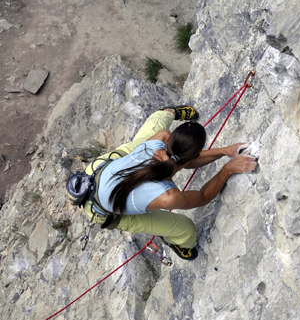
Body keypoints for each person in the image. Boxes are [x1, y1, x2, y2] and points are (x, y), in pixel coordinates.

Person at [82, 106, 257, 260]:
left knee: (145, 138)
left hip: (96, 172)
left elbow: (183, 161)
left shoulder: (160, 139)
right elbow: (203, 197)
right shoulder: (168, 197)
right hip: (100, 210)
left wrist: (225, 151)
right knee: (186, 231)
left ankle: (166, 113)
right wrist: (228, 169)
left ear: (170, 139)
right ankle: (172, 240)